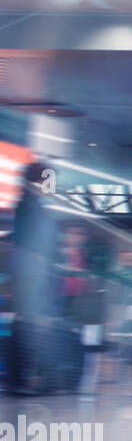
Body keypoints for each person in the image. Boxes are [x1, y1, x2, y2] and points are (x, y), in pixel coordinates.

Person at [6, 161, 57, 393]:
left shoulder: (34, 203)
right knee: (25, 323)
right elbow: (27, 241)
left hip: (33, 273)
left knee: (27, 323)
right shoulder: (27, 204)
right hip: (29, 273)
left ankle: (24, 377)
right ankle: (19, 379)